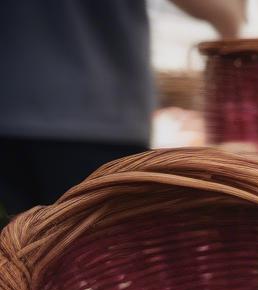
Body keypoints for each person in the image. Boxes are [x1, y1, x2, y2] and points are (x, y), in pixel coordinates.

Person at [0, 0, 245, 216]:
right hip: (97, 117)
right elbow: (219, 8)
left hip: (20, 107)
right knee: (92, 258)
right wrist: (230, 23)